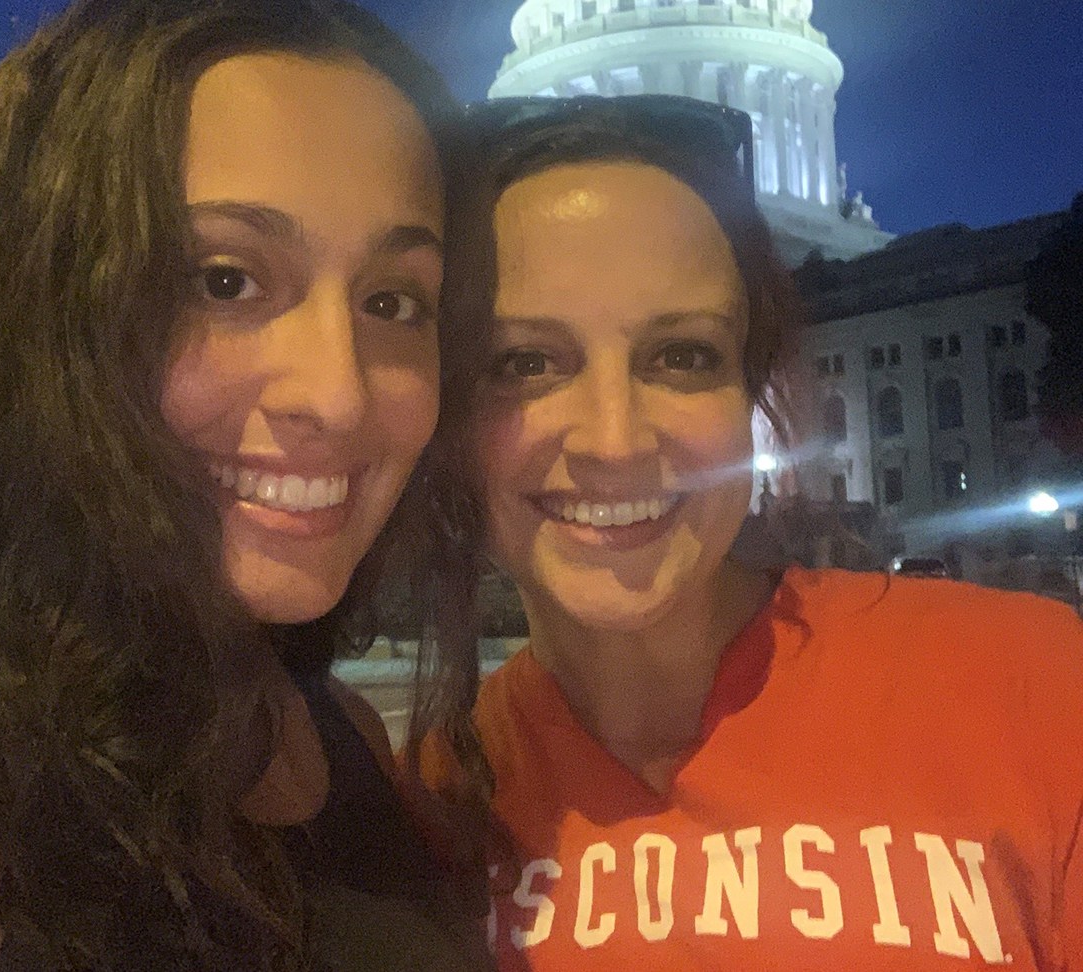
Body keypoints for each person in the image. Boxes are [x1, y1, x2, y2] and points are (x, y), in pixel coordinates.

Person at [0, 0, 492, 968]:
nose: (337, 393)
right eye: (224, 281)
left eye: (391, 300)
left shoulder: (340, 741)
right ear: (36, 308)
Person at [423, 95, 1083, 970]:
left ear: (752, 392)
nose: (614, 441)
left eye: (683, 355)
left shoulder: (1032, 688)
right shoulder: (427, 800)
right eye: (523, 363)